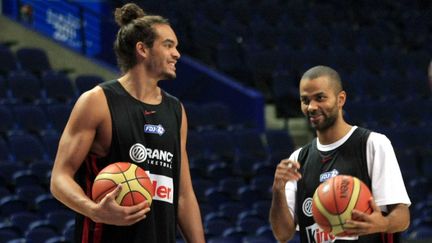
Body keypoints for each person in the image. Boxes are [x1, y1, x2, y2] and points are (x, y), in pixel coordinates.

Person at [50, 3, 205, 243]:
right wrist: (94, 210)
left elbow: (183, 195)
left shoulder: (176, 110)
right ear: (142, 49)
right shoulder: (97, 101)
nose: (177, 54)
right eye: (168, 45)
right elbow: (60, 179)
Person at [269, 65, 411, 243]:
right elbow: (282, 235)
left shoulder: (373, 143)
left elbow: (403, 217)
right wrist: (278, 189)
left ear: (340, 99)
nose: (312, 107)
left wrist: (382, 223)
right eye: (305, 100)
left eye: (320, 98)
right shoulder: (297, 158)